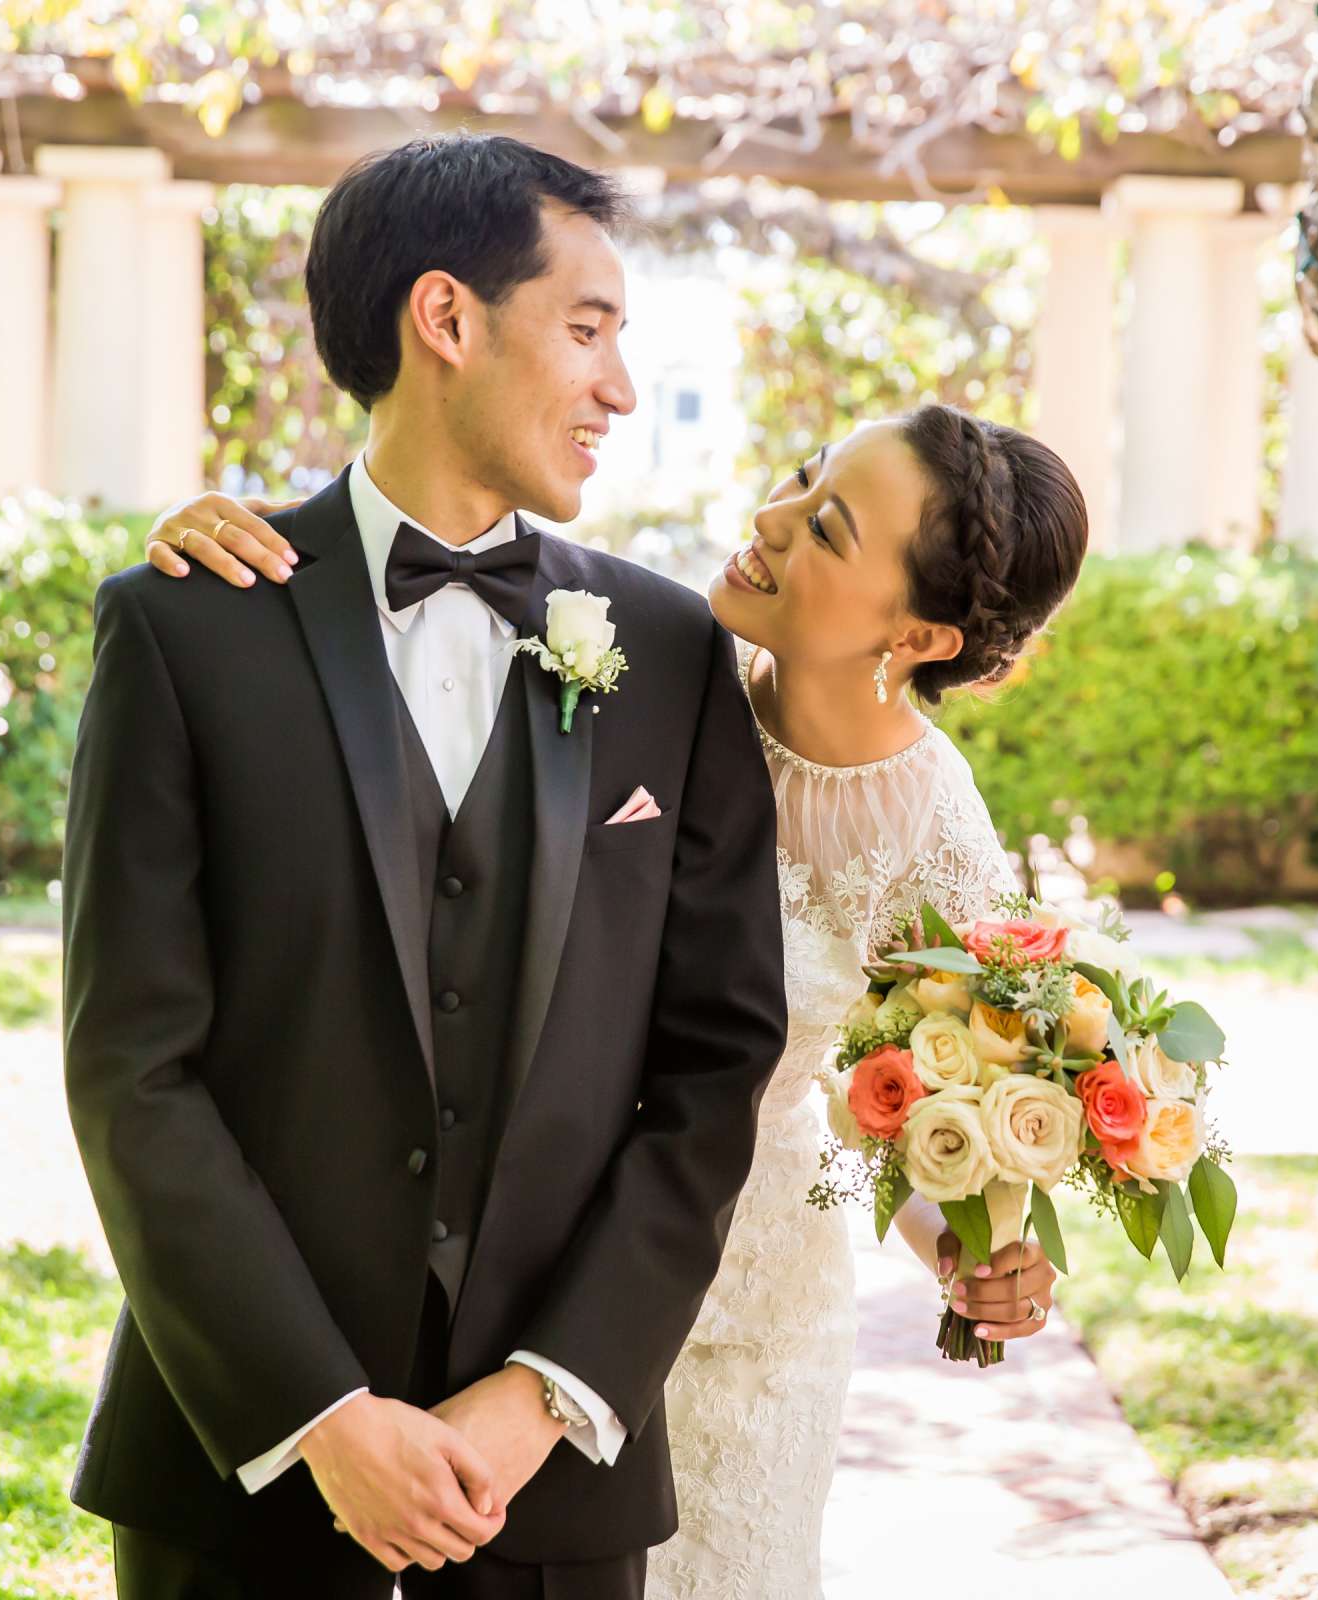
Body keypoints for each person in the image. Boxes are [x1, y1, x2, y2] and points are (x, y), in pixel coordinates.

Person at [145, 382, 1091, 1596]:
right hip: (529, 1269)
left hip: (751, 1321)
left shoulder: (934, 829)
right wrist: (230, 541)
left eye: (829, 527)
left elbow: (910, 1110)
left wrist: (967, 1256)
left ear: (918, 638)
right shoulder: (638, 663)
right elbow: (405, 641)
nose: (771, 512)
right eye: (805, 473)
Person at [61, 133, 789, 1599]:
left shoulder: (671, 656)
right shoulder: (184, 626)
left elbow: (715, 1068)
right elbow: (133, 1066)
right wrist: (321, 1417)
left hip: (554, 1489)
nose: (621, 389)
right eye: (587, 331)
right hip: (241, 1483)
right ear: (446, 319)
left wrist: (543, 1394)